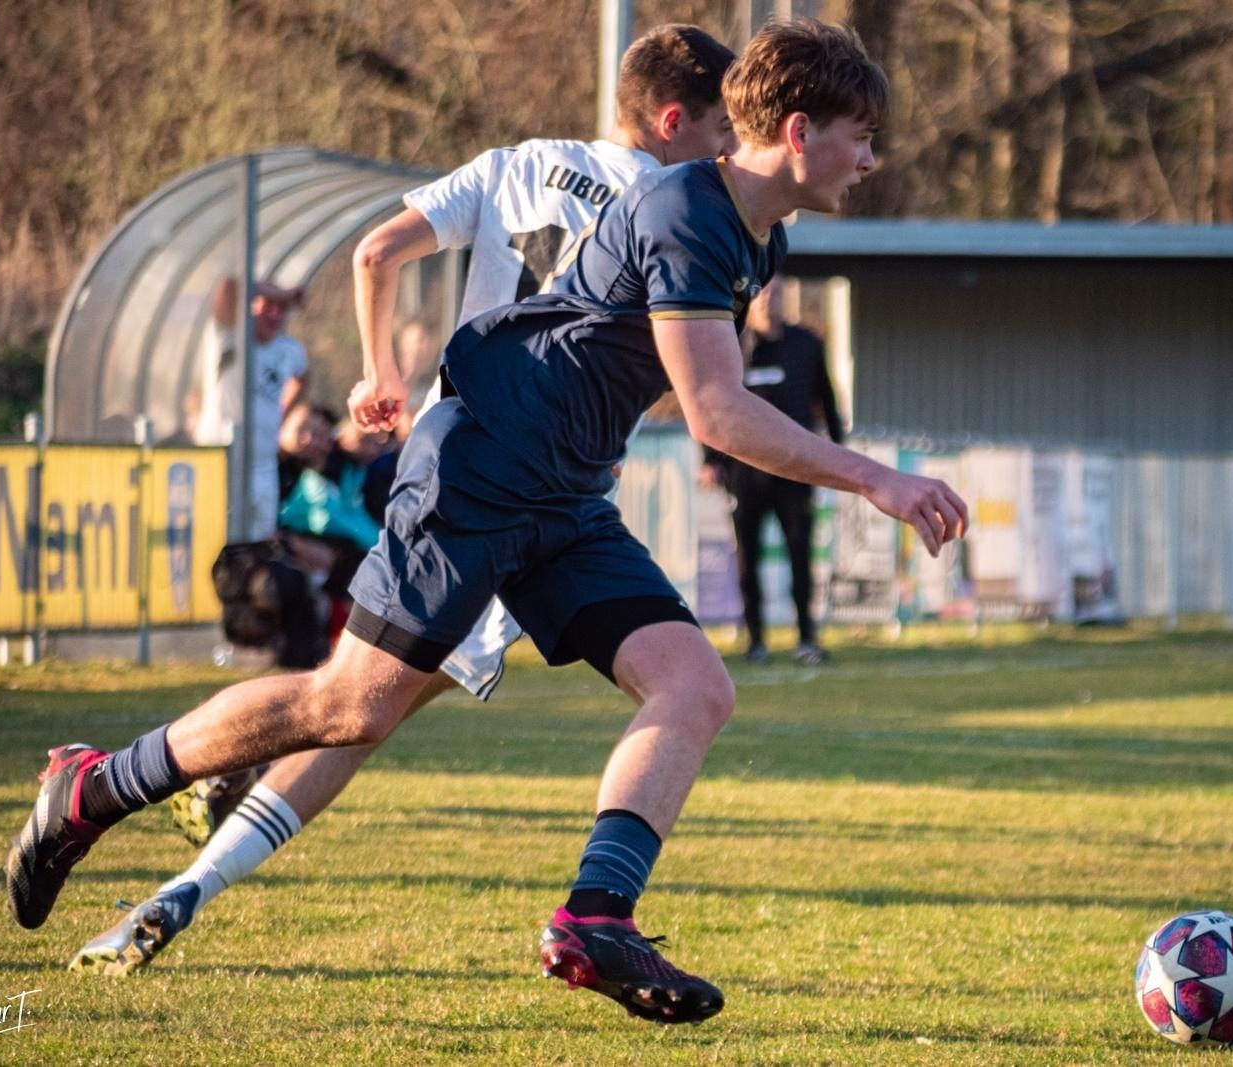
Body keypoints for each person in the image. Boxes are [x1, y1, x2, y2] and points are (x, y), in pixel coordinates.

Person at [11, 20, 966, 1026]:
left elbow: (695, 388)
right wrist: (876, 479)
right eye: (862, 136)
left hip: (561, 492)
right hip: (480, 467)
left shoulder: (755, 239)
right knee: (352, 706)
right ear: (802, 129)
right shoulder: (687, 207)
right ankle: (97, 783)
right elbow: (719, 412)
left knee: (693, 684)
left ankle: (596, 917)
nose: (872, 160)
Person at [64, 24, 738, 977]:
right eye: (719, 126)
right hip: (516, 485)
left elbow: (379, 251)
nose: (727, 148)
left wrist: (381, 371)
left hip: (463, 460)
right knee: (355, 704)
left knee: (364, 705)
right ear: (674, 122)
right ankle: (149, 821)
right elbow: (685, 379)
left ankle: (176, 856)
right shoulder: (672, 209)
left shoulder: (520, 164)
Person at [704, 277, 843, 664]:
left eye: (775, 293)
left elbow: (826, 401)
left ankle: (806, 640)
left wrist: (838, 457)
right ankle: (756, 642)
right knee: (748, 559)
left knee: (801, 555)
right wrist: (711, 461)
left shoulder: (806, 344)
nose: (768, 301)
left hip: (796, 471)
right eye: (761, 294)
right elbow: (709, 406)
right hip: (745, 473)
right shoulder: (734, 345)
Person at [194, 277, 309, 540]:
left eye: (282, 308)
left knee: (260, 541)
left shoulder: (289, 349)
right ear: (250, 305)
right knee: (218, 536)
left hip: (263, 462)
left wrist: (283, 414)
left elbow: (303, 378)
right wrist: (281, 292)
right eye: (268, 305)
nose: (275, 314)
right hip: (221, 456)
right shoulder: (230, 335)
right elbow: (227, 287)